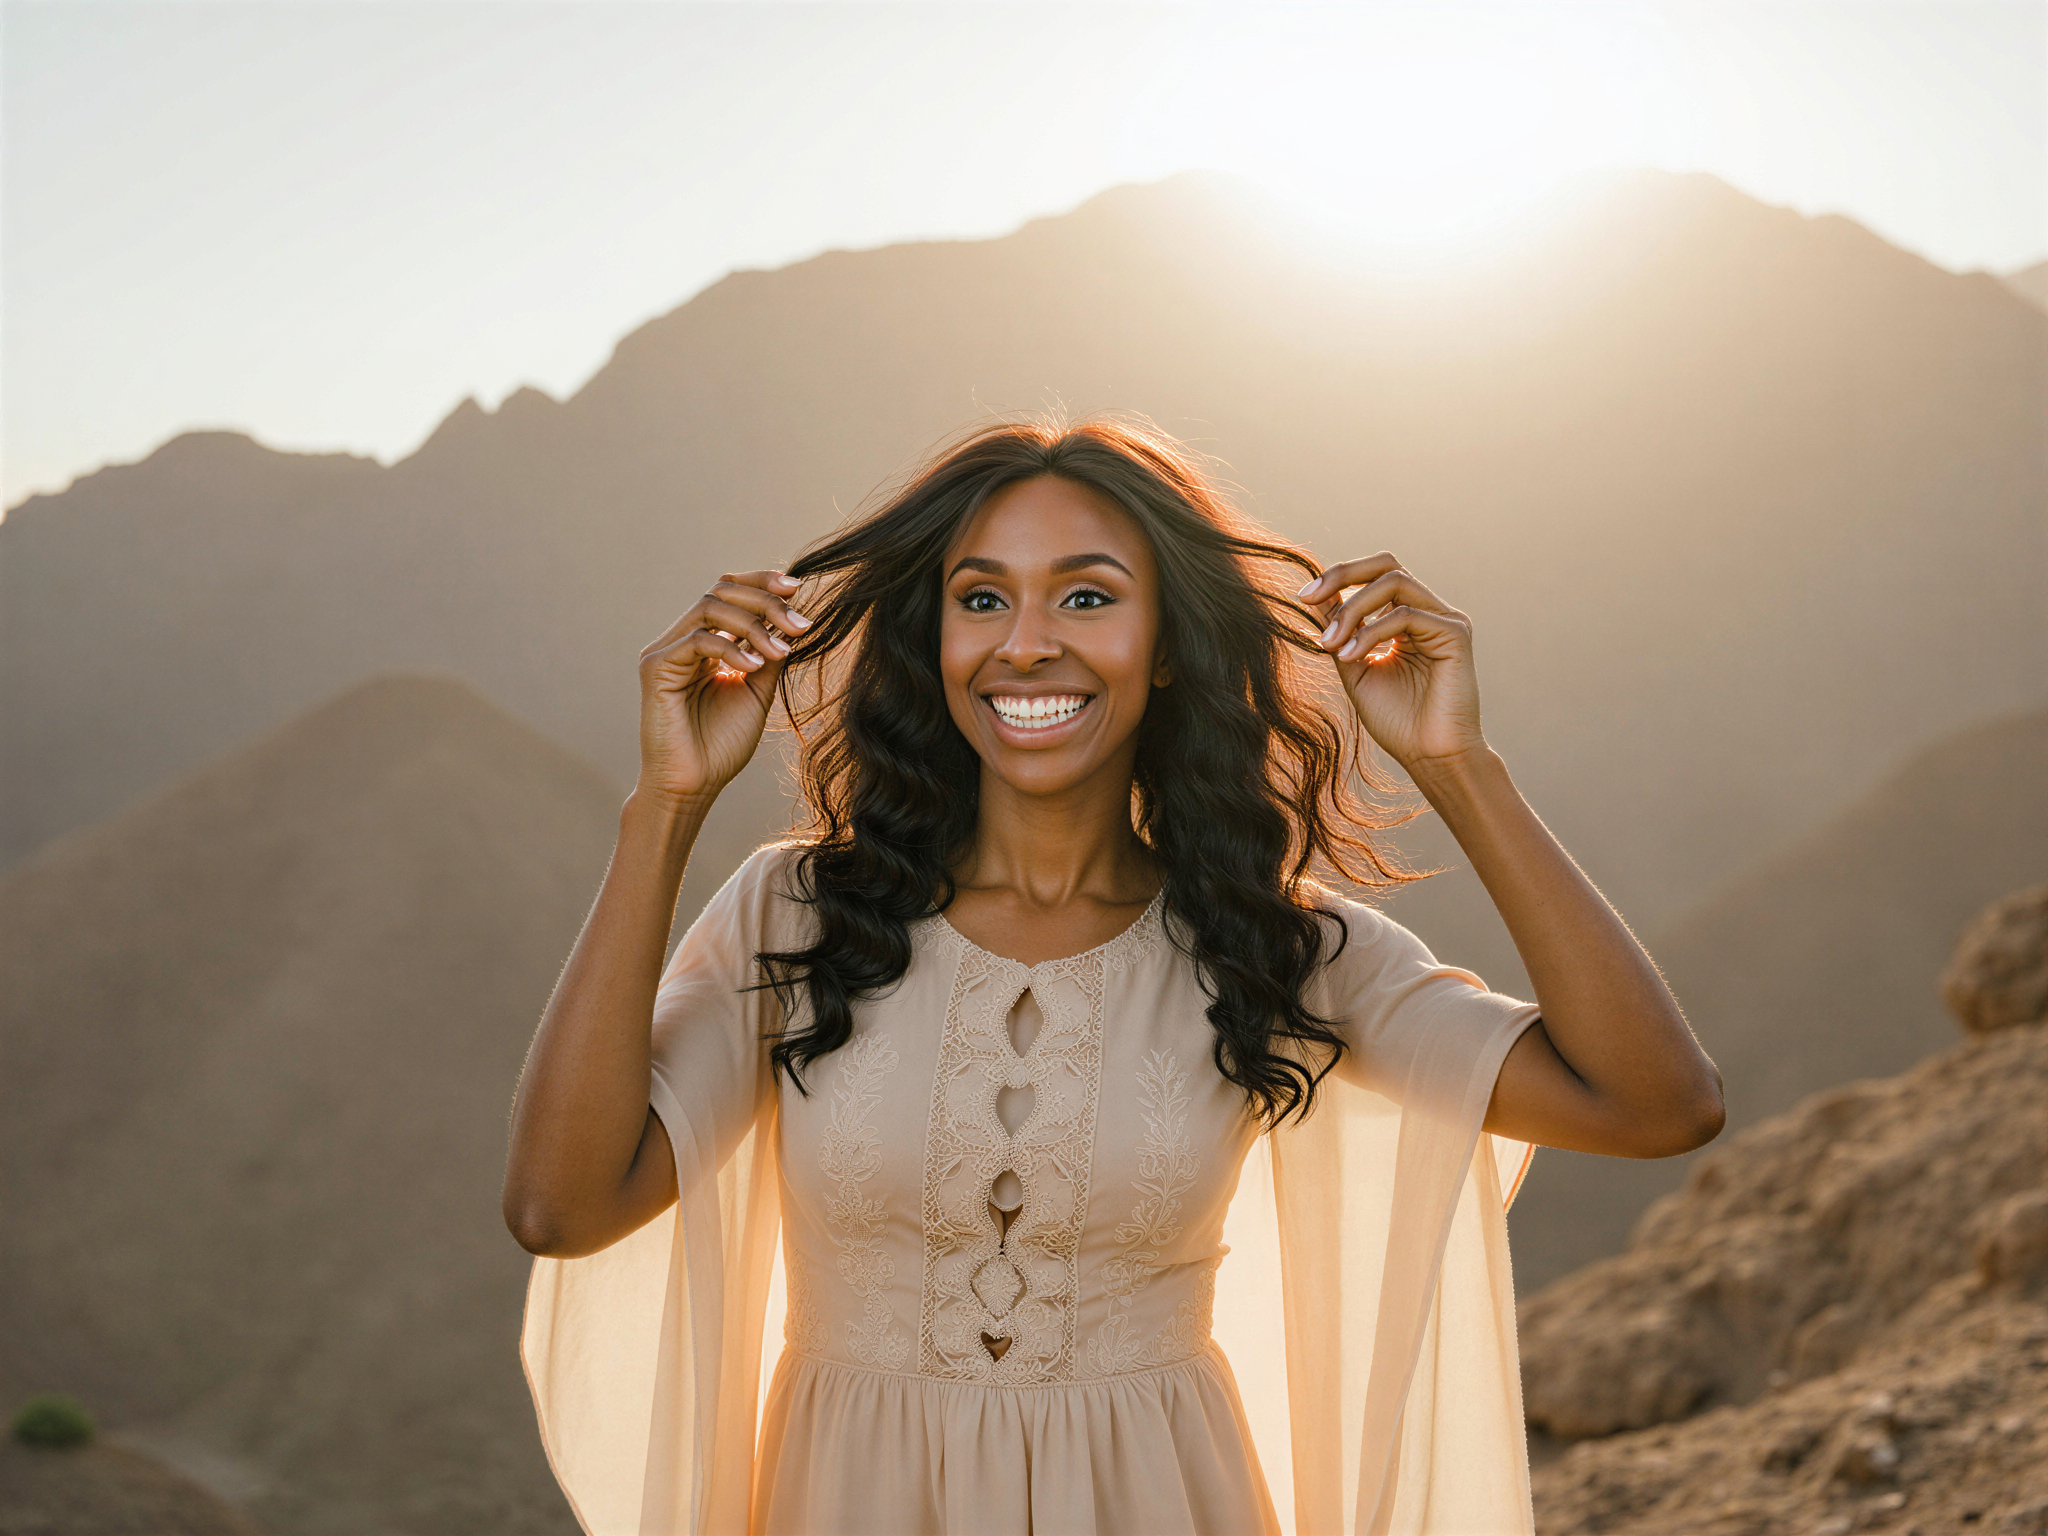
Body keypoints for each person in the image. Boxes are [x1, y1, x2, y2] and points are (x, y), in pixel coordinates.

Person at [502, 416, 1725, 1536]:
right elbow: (561, 1207)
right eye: (980, 598)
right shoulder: (801, 914)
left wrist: (1458, 764)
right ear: (934, 642)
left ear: (1169, 648)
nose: (1026, 644)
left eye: (1086, 596)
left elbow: (1655, 1105)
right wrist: (663, 810)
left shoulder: (1276, 947)